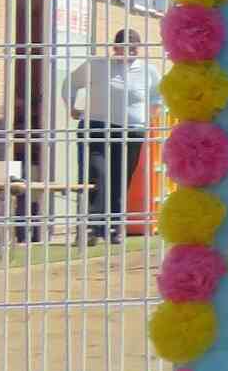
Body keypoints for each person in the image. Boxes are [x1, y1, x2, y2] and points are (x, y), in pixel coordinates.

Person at [61, 30, 157, 244]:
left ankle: (114, 227)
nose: (130, 49)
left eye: (134, 46)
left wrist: (150, 116)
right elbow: (70, 83)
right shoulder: (96, 65)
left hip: (132, 131)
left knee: (121, 179)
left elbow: (158, 96)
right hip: (97, 126)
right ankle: (89, 228)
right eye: (125, 45)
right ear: (115, 47)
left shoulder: (148, 70)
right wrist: (72, 106)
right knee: (96, 173)